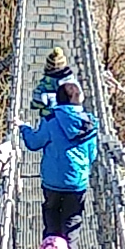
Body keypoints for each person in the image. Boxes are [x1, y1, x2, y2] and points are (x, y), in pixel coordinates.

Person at [19, 72, 99, 240]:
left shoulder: (50, 120)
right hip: (77, 183)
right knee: (72, 222)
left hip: (52, 182)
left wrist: (24, 128)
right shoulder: (90, 125)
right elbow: (92, 156)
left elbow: (34, 144)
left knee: (51, 220)